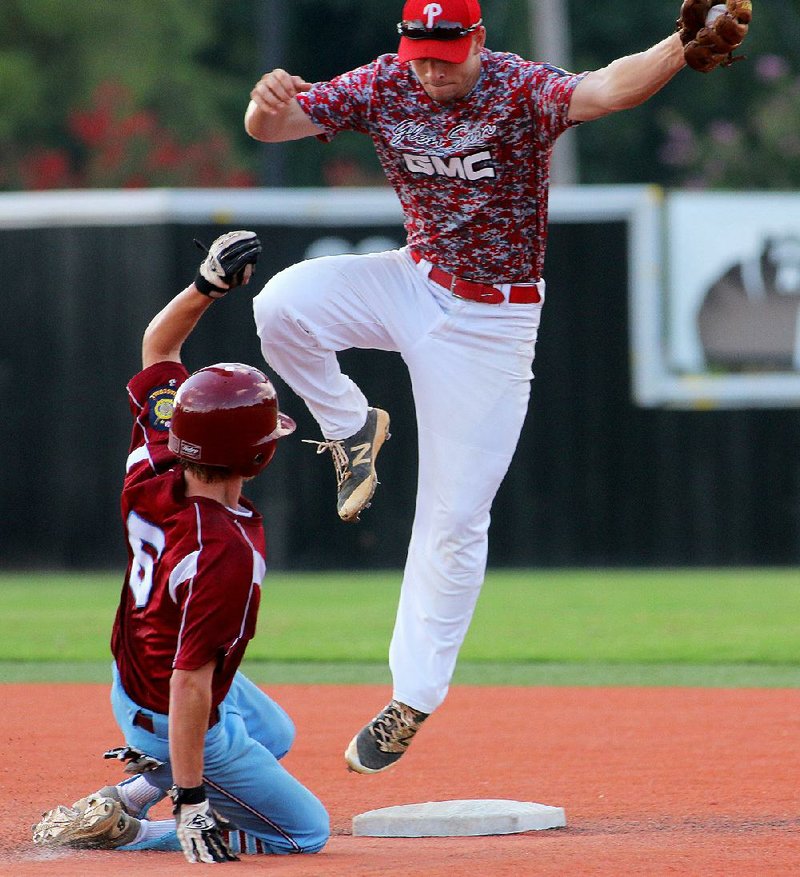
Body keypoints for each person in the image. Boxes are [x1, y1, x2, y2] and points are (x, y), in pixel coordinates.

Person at [244, 0, 690, 775]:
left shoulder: (517, 87)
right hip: (414, 280)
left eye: (445, 53)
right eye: (420, 51)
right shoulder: (386, 82)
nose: (430, 67)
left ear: (478, 40)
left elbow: (610, 89)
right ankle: (352, 426)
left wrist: (683, 42)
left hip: (493, 322)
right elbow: (271, 130)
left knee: (452, 517)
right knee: (279, 303)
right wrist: (265, 103)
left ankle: (410, 698)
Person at [32, 231, 329, 863]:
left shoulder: (156, 457)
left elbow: (159, 345)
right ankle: (140, 831)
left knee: (275, 733)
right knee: (306, 834)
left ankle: (133, 793)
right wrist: (192, 797)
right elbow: (191, 682)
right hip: (165, 701)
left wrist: (207, 285)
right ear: (259, 454)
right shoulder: (224, 549)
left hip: (130, 675)